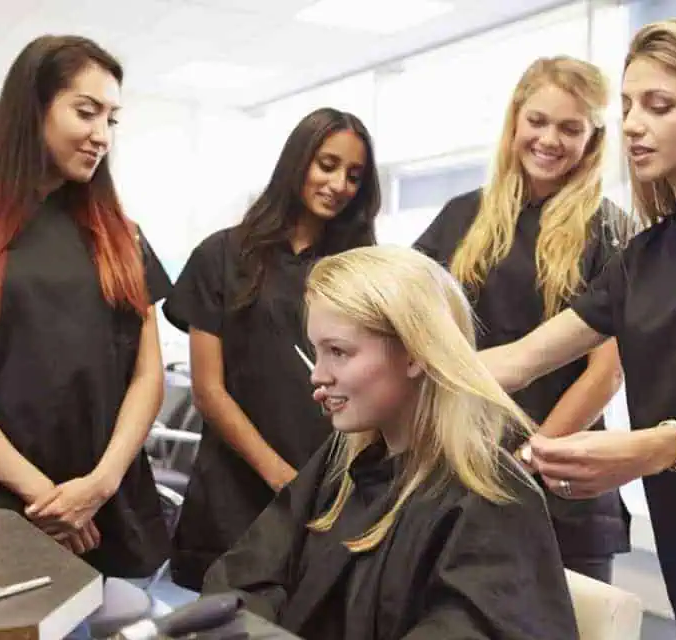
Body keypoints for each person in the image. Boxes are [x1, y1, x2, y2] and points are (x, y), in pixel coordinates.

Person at [480, 19, 676, 640]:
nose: (630, 125)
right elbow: (520, 360)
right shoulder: (642, 258)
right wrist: (402, 368)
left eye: (658, 105)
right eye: (625, 106)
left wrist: (649, 448)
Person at [202, 246, 578, 640]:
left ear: (415, 354)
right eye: (317, 351)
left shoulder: (493, 499)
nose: (318, 375)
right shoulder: (341, 463)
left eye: (338, 352)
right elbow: (244, 578)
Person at [0, 35, 172, 579]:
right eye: (86, 111)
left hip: (109, 500)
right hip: (6, 503)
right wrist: (47, 497)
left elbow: (147, 376)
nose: (101, 136)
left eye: (111, 120)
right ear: (33, 108)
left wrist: (100, 485)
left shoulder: (123, 236)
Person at [413, 56, 634, 584]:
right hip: (460, 466)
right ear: (515, 119)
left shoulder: (610, 231)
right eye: (538, 121)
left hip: (562, 479)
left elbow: (605, 373)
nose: (549, 139)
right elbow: (415, 327)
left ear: (593, 139)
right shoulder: (461, 217)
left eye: (570, 128)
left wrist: (529, 460)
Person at [162, 107, 381, 590]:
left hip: (333, 491)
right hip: (235, 491)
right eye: (327, 165)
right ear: (297, 161)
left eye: (354, 175)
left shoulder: (361, 269)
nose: (339, 183)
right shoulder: (221, 256)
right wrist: (282, 477)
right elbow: (208, 390)